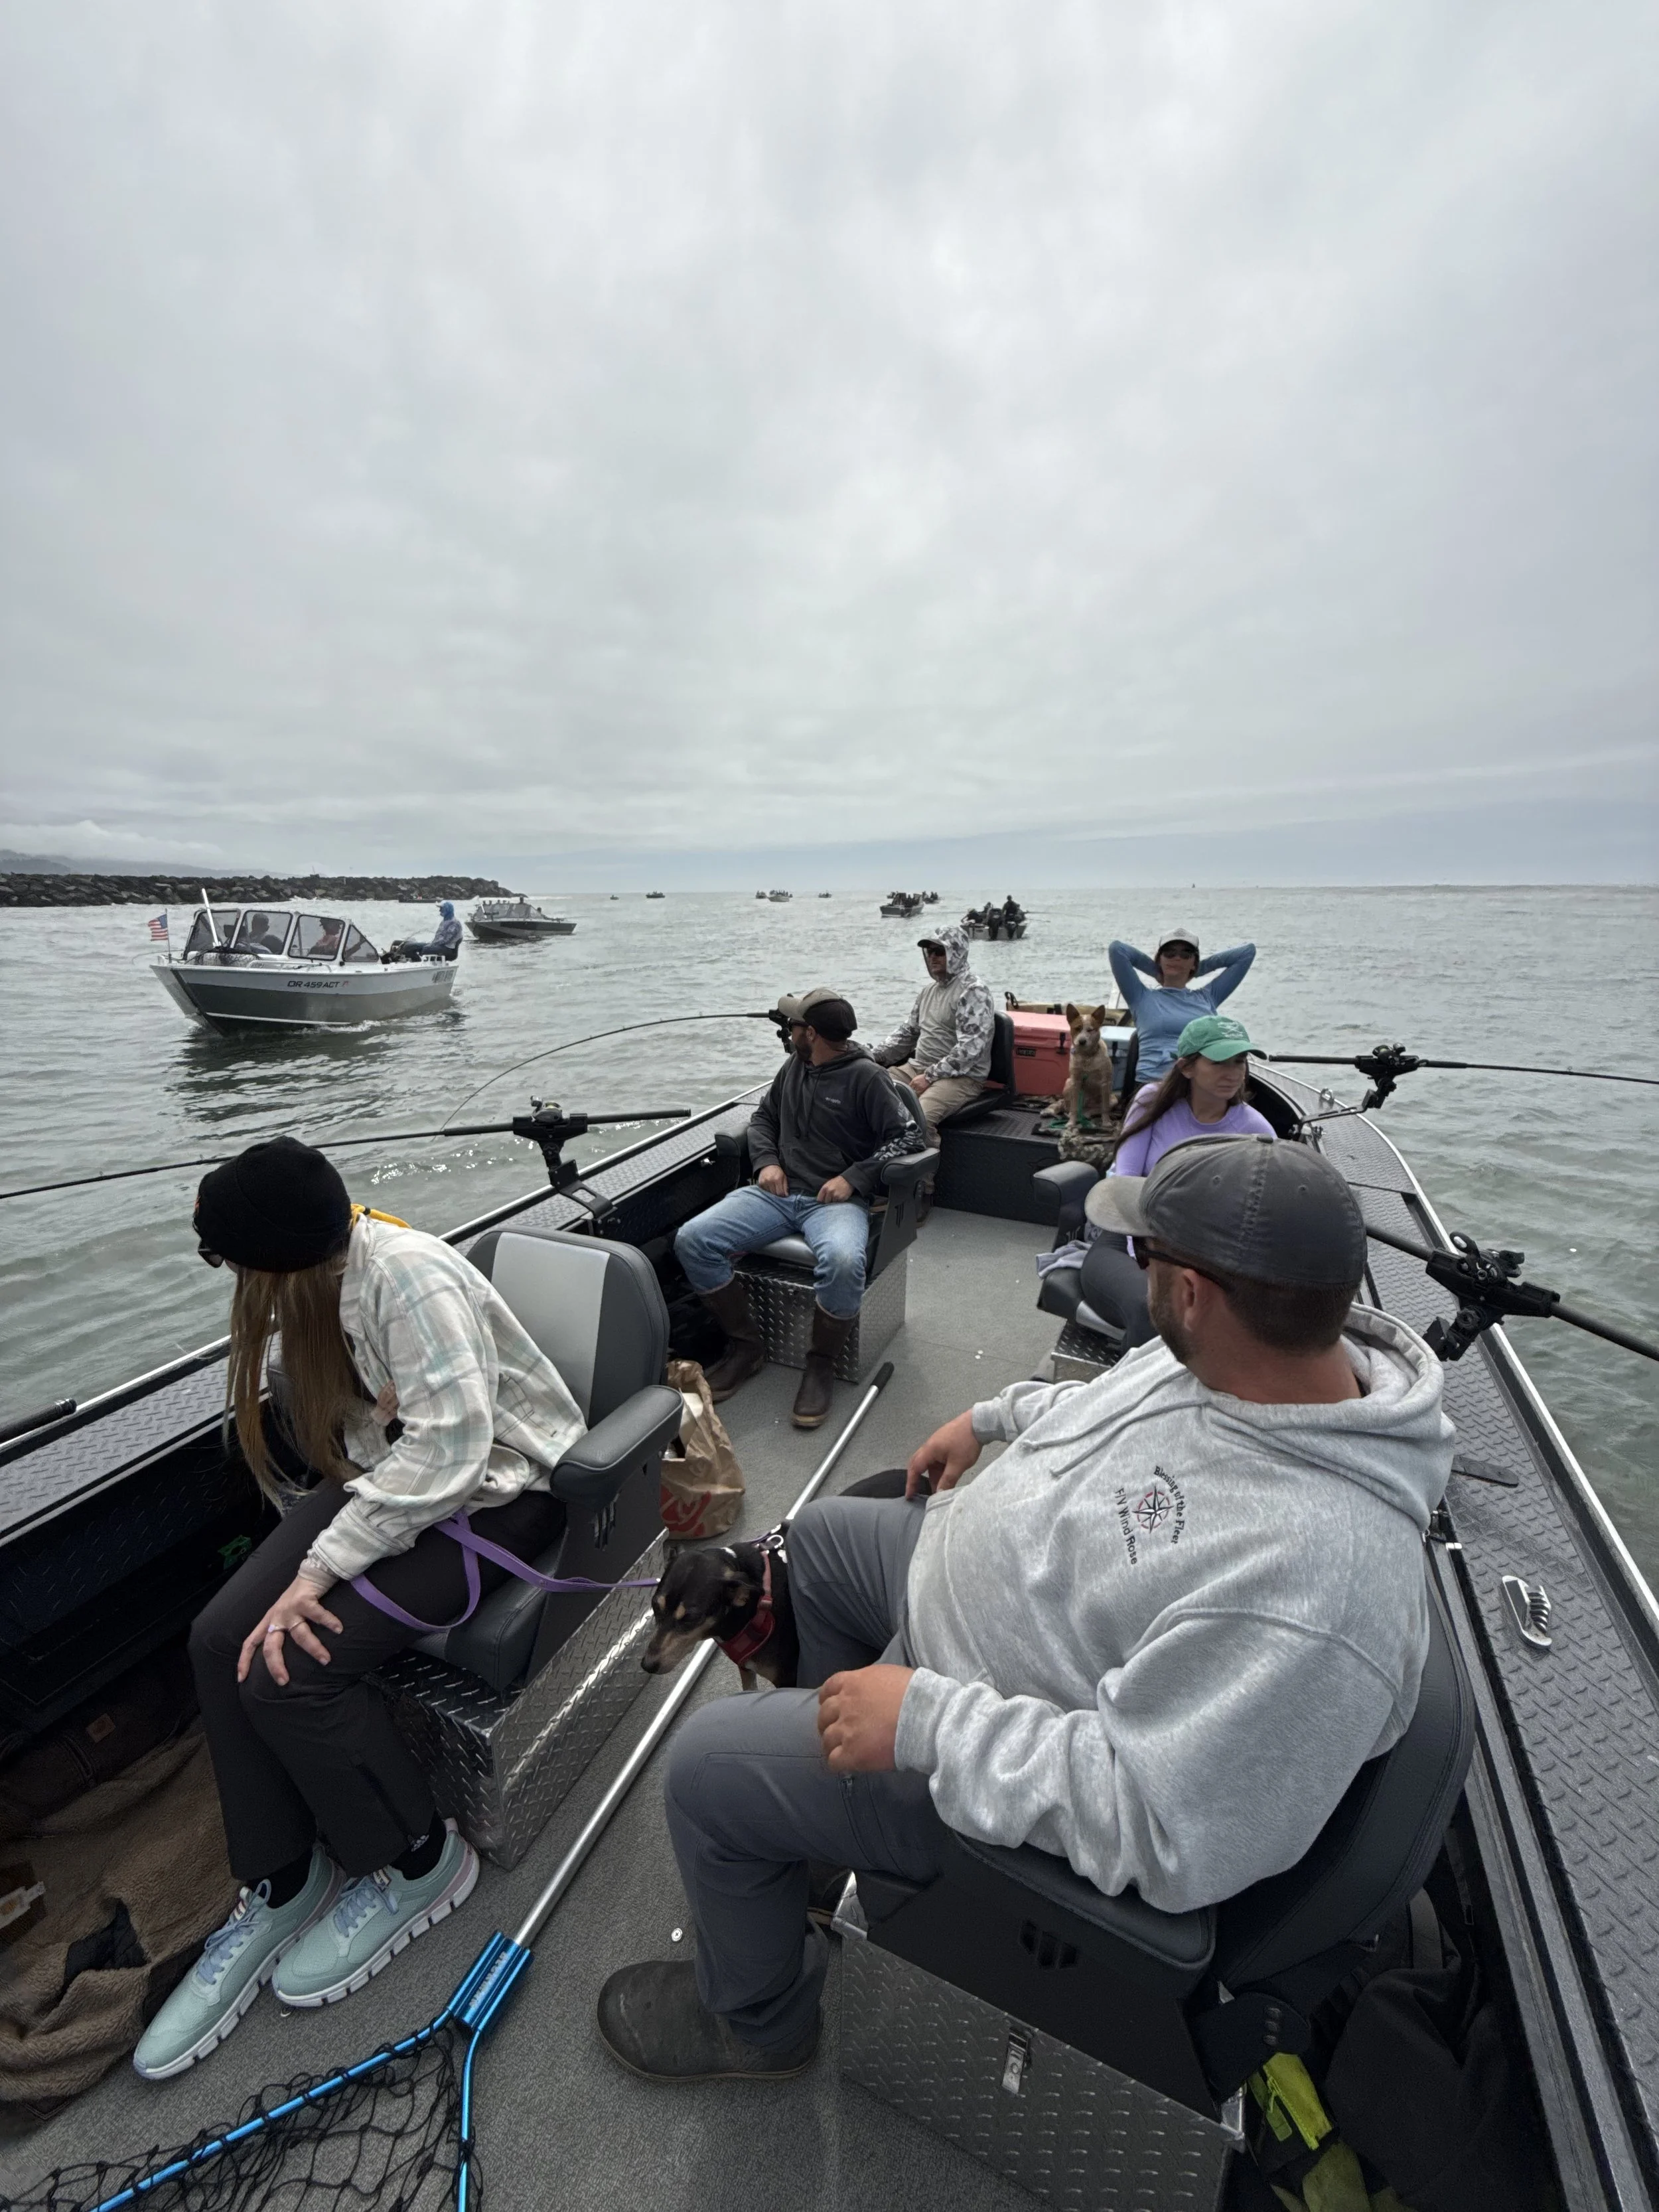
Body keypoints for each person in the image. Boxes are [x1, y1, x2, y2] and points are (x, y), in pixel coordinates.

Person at [595, 1136, 1453, 2085]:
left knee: (706, 1770)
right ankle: (811, 1839)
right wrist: (994, 1417)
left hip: (985, 1740)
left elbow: (1158, 1825)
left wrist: (925, 1719)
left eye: (1146, 1257)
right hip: (961, 1589)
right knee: (827, 1538)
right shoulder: (1244, 1356)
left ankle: (758, 2019)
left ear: (1198, 1292)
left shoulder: (1316, 1587)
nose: (1134, 1268)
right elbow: (1116, 1414)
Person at [133, 1138, 586, 2081]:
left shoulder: (409, 1280)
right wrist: (367, 1449)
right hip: (408, 1482)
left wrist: (323, 1568)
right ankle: (283, 1877)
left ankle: (419, 1859)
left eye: (235, 1263)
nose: (237, 1284)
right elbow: (384, 1438)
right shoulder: (325, 1286)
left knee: (292, 1669)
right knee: (220, 1642)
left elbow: (458, 1450)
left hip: (501, 1492)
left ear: (274, 1257)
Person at [674, 990, 918, 1430]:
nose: (789, 1033)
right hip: (778, 1195)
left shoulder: (868, 1077)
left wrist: (855, 1177)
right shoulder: (794, 1067)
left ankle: (821, 1363)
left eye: (795, 1027)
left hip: (835, 1203)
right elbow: (763, 1119)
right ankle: (746, 1347)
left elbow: (908, 1138)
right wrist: (766, 1161)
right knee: (694, 1239)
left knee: (844, 1262)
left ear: (813, 1033)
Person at [1078, 1013, 1277, 1349]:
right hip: (1128, 1236)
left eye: (1240, 1061)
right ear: (1187, 1068)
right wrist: (1143, 1260)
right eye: (1220, 1062)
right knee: (1152, 1310)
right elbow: (1125, 1184)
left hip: (1201, 1251)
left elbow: (1265, 1206)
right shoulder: (1151, 1102)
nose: (1233, 1074)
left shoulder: (1256, 1130)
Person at [870, 925, 996, 1142]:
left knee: (920, 1120)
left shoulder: (973, 990)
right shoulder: (928, 992)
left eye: (940, 951)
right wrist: (871, 1056)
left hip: (962, 1077)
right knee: (869, 1091)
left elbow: (970, 1050)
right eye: (930, 952)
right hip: (919, 1067)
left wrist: (930, 1076)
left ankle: (922, 1175)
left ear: (956, 952)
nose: (933, 957)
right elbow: (907, 1034)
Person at [1108, 924, 1256, 1083]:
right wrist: (1157, 971)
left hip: (1199, 1085)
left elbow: (1247, 952)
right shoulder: (1141, 997)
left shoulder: (1208, 997)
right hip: (1153, 1083)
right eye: (1170, 953)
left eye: (1186, 954)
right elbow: (1117, 950)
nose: (1177, 958)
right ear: (1160, 959)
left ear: (1194, 962)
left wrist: (1196, 970)